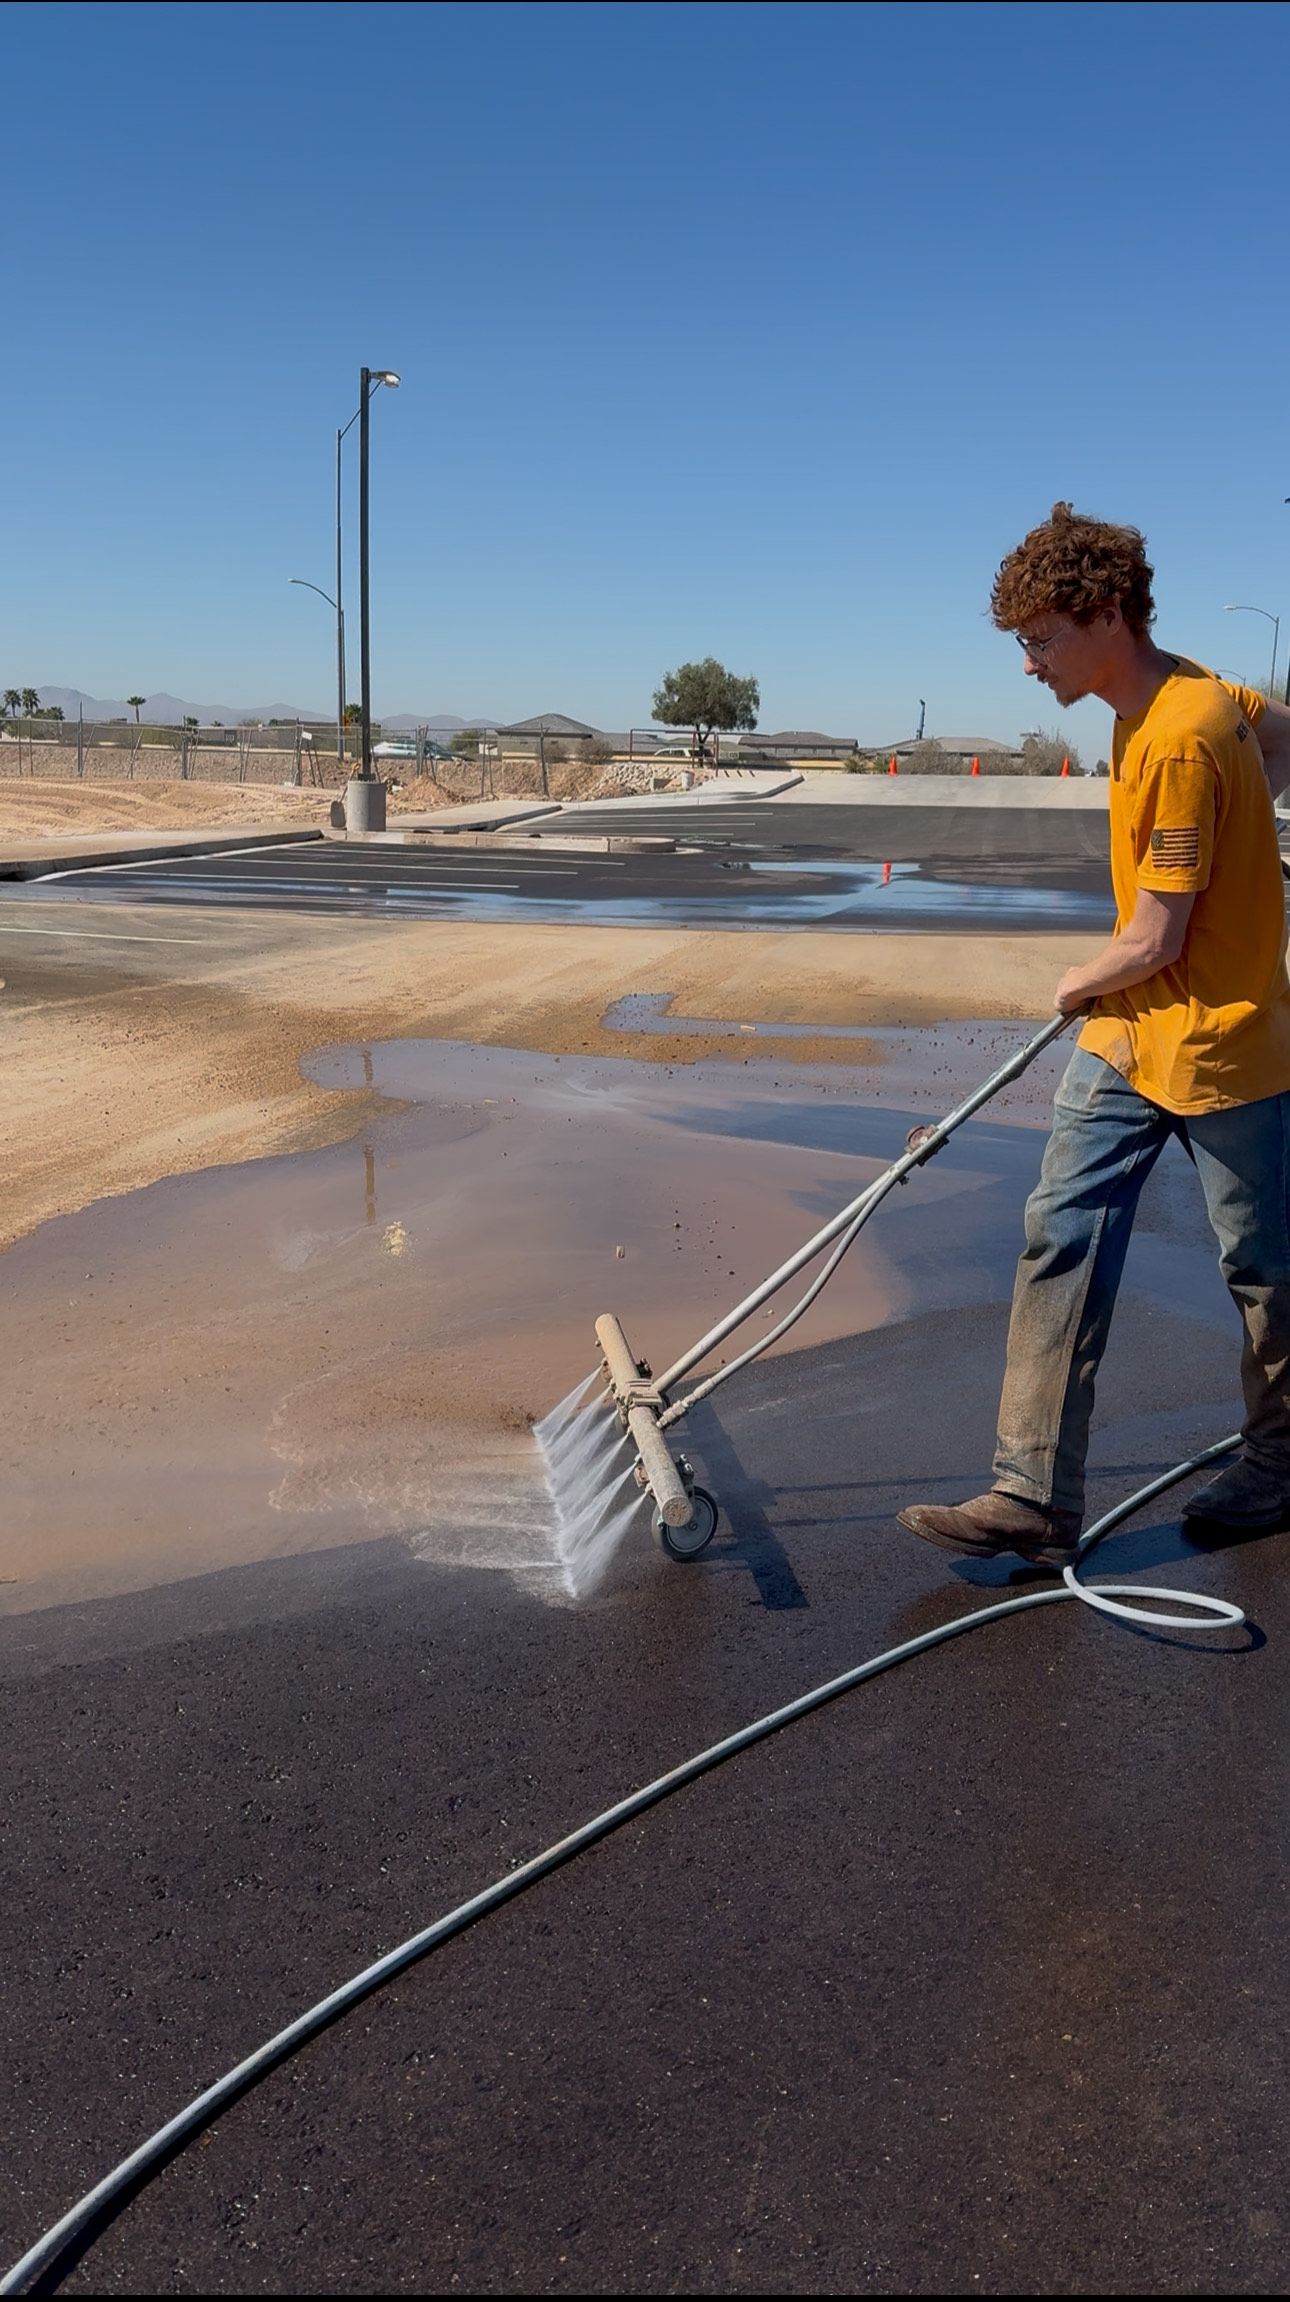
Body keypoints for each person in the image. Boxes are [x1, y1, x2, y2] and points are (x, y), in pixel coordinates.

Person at [898, 501, 1290, 1570]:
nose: (1028, 666)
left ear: (1104, 614)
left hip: (1221, 1042)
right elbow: (1281, 728)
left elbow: (1155, 937)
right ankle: (1031, 1493)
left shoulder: (1184, 732)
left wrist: (1078, 978)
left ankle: (1280, 1457)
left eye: (1039, 639)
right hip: (1131, 1039)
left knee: (1264, 1267)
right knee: (1060, 1230)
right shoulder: (1187, 693)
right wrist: (1256, 827)